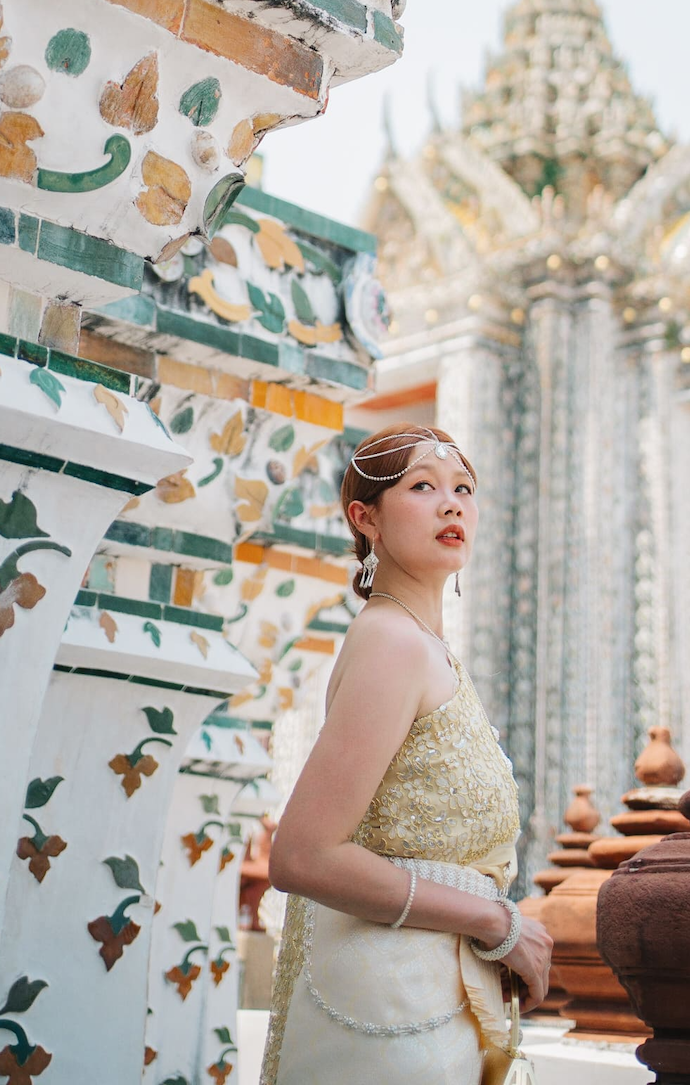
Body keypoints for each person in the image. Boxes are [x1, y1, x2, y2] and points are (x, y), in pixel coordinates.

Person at [260, 423, 553, 1084]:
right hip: (387, 1013)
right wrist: (494, 920)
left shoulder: (427, 650)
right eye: (423, 487)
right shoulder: (391, 642)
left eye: (463, 489)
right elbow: (302, 854)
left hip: (433, 1001)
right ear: (366, 520)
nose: (452, 504)